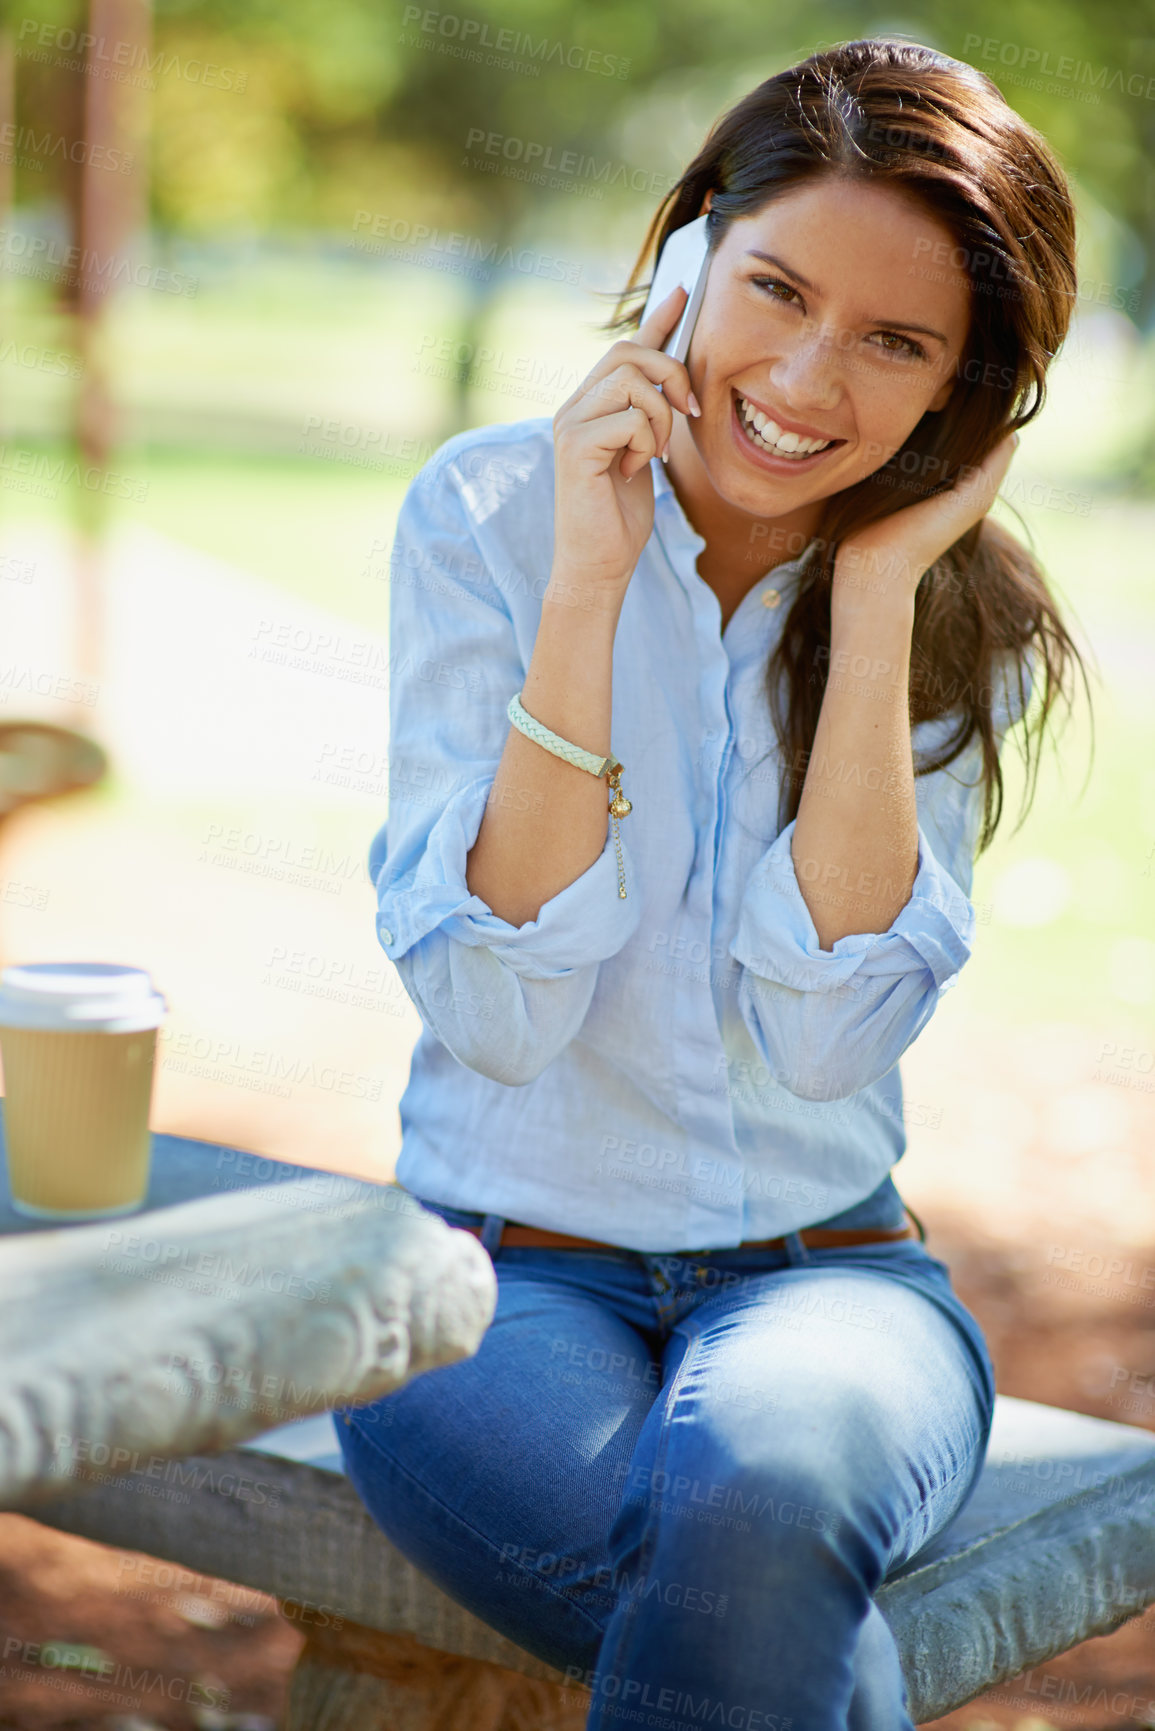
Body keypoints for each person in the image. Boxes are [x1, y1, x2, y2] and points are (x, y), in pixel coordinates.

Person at [334, 36, 1089, 1730]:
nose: (813, 383)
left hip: (835, 1282)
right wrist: (588, 583)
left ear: (965, 396)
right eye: (776, 291)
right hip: (485, 1278)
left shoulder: (959, 619)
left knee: (762, 1493)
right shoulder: (490, 516)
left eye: (898, 344)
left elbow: (829, 1050)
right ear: (686, 262)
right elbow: (498, 1009)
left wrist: (887, 595)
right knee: (752, 1597)